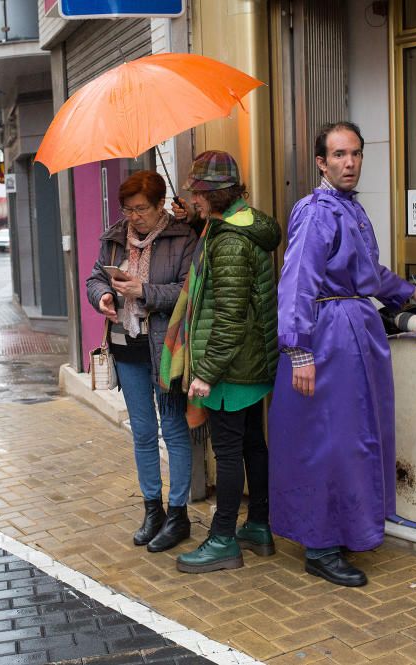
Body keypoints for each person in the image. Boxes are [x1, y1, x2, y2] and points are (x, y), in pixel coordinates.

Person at [268, 122, 416, 587]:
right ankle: (320, 546)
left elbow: (367, 273)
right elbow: (297, 282)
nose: (350, 163)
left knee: (357, 436)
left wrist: (408, 290)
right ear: (322, 162)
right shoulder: (316, 211)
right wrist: (299, 350)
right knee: (329, 440)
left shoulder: (349, 209)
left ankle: (342, 529)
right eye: (340, 155)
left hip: (356, 334)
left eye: (356, 154)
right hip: (326, 338)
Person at [161, 151, 281, 574]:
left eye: (197, 192)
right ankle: (259, 526)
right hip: (251, 362)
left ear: (212, 194)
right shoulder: (242, 225)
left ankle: (223, 538)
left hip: (230, 366)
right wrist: (197, 220)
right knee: (252, 443)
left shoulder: (229, 242)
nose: (193, 198)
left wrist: (206, 372)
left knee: (228, 452)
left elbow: (229, 314)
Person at [86, 171, 198, 552]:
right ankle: (153, 509)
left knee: (173, 427)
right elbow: (93, 279)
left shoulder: (182, 237)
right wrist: (102, 296)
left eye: (141, 210)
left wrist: (144, 290)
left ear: (160, 204)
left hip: (166, 348)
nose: (134, 217)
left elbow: (189, 290)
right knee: (144, 431)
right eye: (128, 209)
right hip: (127, 346)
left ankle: (179, 512)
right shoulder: (114, 238)